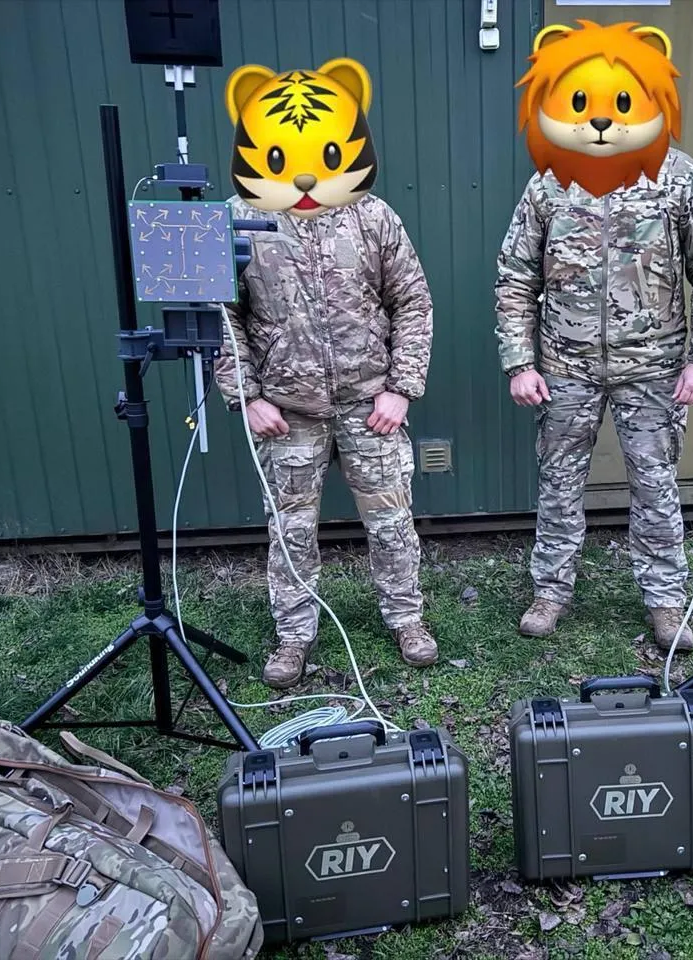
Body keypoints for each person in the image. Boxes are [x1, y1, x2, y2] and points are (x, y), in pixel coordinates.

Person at [494, 20, 693, 653]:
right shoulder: (548, 182)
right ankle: (550, 593)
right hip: (565, 367)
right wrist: (520, 361)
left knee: (656, 487)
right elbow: (516, 274)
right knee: (558, 485)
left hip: (654, 368)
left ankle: (666, 602)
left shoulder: (676, 177)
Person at [215, 58, 437, 689]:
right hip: (287, 413)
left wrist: (401, 389)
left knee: (392, 521)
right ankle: (294, 636)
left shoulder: (373, 216)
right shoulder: (239, 218)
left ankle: (407, 619)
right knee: (289, 529)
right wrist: (246, 396)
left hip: (370, 404)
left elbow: (413, 302)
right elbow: (220, 317)